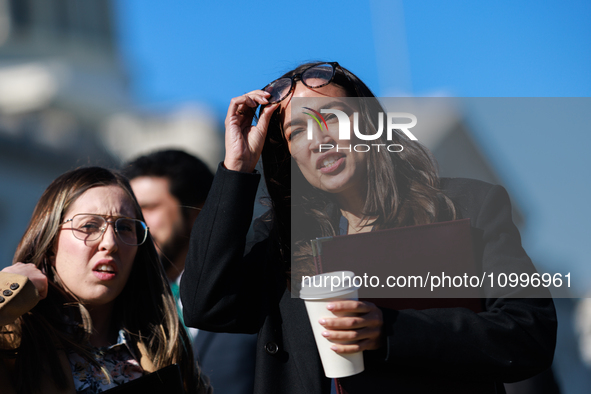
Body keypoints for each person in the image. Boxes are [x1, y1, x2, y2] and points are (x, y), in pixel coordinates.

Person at [180, 62, 557, 393]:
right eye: (297, 131)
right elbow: (204, 306)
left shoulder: (467, 207)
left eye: (333, 117)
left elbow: (528, 332)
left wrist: (389, 329)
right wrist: (237, 168)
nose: (319, 139)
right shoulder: (283, 240)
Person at [0, 167, 210, 394]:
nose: (110, 242)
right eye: (89, 226)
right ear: (50, 242)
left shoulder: (166, 347)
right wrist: (10, 285)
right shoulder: (14, 340)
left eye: (124, 227)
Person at [123, 149, 257, 394]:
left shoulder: (257, 293)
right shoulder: (123, 305)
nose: (135, 224)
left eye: (148, 208)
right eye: (129, 213)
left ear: (200, 214)